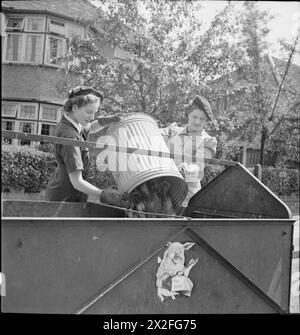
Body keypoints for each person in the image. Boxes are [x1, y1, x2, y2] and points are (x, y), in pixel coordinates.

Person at [45, 85, 129, 207]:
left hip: (68, 194)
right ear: (75, 107)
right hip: (64, 200)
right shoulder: (69, 136)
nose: (92, 117)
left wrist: (106, 121)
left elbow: (90, 127)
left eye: (95, 112)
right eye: (89, 112)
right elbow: (77, 182)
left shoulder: (73, 123)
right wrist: (104, 194)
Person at [161, 95, 217, 207]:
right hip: (162, 193)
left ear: (206, 121)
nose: (197, 122)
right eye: (194, 117)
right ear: (188, 115)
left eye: (202, 119)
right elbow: (152, 135)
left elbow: (197, 168)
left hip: (186, 199)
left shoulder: (207, 141)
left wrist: (181, 171)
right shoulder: (172, 131)